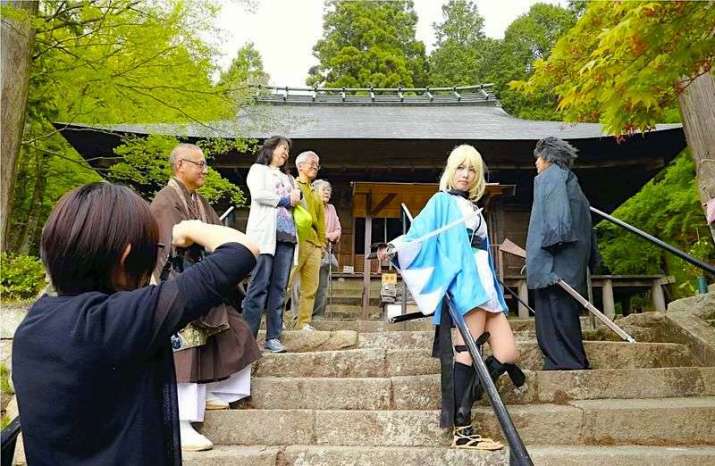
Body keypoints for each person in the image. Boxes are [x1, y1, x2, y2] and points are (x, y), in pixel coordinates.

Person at [12, 182, 258, 466]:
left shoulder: (34, 324)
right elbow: (243, 250)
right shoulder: (122, 319)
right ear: (127, 256)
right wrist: (189, 228)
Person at [378, 145, 524, 450]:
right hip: (465, 285)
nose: (466, 175)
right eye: (461, 168)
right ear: (451, 170)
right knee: (465, 352)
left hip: (486, 284)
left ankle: (470, 393)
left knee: (508, 353)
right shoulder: (441, 202)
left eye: (472, 169)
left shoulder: (474, 207)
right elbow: (418, 233)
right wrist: (394, 246)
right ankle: (463, 429)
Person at [150, 144, 262, 451]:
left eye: (204, 164)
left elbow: (216, 233)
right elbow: (170, 246)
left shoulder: (198, 201)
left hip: (205, 280)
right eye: (199, 164)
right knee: (187, 340)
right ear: (179, 166)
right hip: (178, 283)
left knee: (237, 331)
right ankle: (179, 421)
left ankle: (213, 386)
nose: (205, 169)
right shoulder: (165, 201)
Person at [526, 136, 596, 370]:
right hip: (570, 262)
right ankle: (569, 360)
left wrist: (547, 247)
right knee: (563, 313)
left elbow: (556, 217)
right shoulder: (571, 180)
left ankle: (565, 362)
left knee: (553, 313)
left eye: (537, 158)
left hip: (554, 262)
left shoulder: (551, 176)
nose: (536, 164)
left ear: (546, 157)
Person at [242, 136, 300, 353]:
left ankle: (273, 337)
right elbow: (258, 195)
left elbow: (296, 202)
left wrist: (295, 196)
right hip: (264, 236)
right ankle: (248, 338)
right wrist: (286, 199)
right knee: (258, 286)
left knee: (278, 289)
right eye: (281, 148)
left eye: (287, 150)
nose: (285, 152)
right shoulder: (258, 170)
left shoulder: (288, 177)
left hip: (286, 235)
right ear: (270, 149)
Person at [290, 151, 326, 331]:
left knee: (311, 286)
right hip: (297, 239)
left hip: (314, 244)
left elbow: (321, 221)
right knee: (287, 281)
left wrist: (322, 243)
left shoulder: (315, 191)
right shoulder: (292, 185)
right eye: (311, 163)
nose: (314, 166)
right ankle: (278, 319)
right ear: (300, 166)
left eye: (317, 164)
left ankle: (304, 322)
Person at [312, 179, 341, 318]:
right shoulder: (310, 206)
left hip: (325, 250)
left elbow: (338, 229)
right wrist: (327, 235)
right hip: (310, 249)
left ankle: (318, 315)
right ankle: (299, 316)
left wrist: (330, 235)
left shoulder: (331, 208)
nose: (327, 192)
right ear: (315, 191)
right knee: (304, 285)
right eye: (324, 189)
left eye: (329, 190)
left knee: (322, 286)